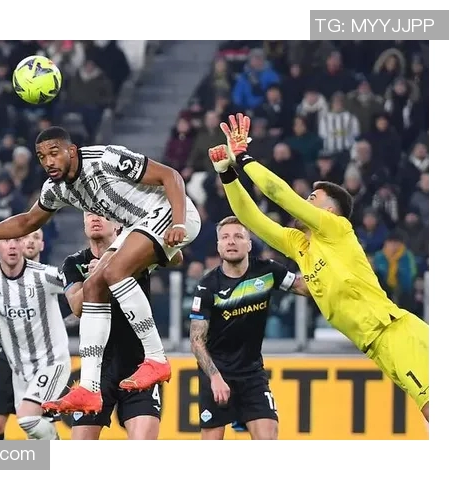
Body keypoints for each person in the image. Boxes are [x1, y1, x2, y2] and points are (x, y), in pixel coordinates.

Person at [0, 126, 201, 414]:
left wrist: (179, 223)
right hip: (137, 227)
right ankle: (89, 388)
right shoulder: (57, 188)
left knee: (114, 272)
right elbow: (27, 222)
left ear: (71, 151)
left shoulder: (106, 159)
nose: (48, 162)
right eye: (42, 157)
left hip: (169, 211)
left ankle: (156, 357)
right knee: (93, 285)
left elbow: (170, 176)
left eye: (54, 153)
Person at [209, 113, 429, 421]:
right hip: (377, 345)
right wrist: (227, 174)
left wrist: (244, 157)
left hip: (394, 332)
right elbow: (251, 219)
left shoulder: (336, 229)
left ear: (328, 210)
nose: (304, 201)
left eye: (311, 198)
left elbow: (280, 195)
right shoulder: (300, 245)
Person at [44, 213, 182, 439]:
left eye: (103, 214)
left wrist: (154, 242)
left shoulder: (135, 252)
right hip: (98, 369)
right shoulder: (74, 262)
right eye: (89, 214)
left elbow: (177, 258)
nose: (95, 218)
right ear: (83, 222)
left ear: (119, 223)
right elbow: (77, 307)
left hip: (139, 363)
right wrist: (97, 277)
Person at [189, 216, 307, 440]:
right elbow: (196, 341)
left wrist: (328, 271)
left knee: (268, 438)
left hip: (252, 374)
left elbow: (304, 287)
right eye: (225, 237)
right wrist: (215, 378)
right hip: (217, 373)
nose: (231, 241)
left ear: (249, 244)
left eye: (238, 236)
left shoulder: (267, 271)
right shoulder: (207, 286)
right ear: (218, 246)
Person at [0, 236, 71, 440]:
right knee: (29, 431)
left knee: (27, 419)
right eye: (6, 240)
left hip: (51, 361)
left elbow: (79, 287)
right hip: (18, 367)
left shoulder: (44, 275)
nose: (12, 245)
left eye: (17, 239)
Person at [0, 229, 46, 440]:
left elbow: (72, 312)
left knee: (37, 426)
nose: (30, 242)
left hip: (41, 362)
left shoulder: (49, 279)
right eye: (25, 237)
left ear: (42, 245)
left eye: (36, 237)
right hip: (8, 360)